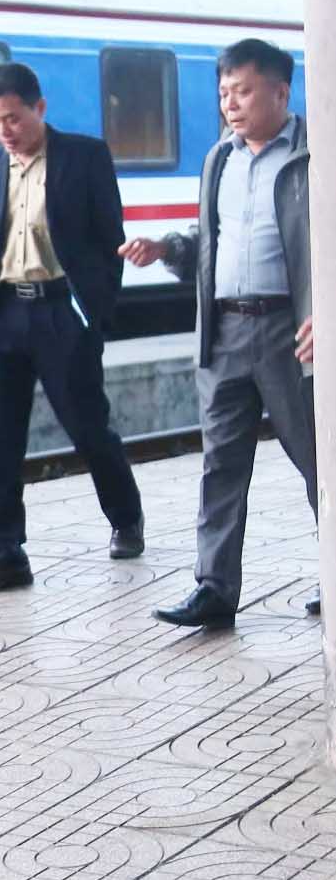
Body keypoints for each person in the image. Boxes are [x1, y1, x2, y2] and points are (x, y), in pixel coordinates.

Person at [120, 39, 320, 624]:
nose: (231, 103)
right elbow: (210, 241)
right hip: (226, 331)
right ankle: (214, 589)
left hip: (292, 333)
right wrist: (167, 249)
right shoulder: (219, 159)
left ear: (281, 92)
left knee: (320, 464)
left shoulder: (316, 156)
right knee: (220, 466)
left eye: (245, 90)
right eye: (224, 92)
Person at [0, 63, 145, 598]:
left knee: (87, 425)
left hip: (62, 311)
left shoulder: (84, 156)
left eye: (12, 117)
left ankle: (125, 518)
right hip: (4, 315)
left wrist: (96, 315)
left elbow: (111, 241)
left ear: (39, 108)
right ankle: (4, 554)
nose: (3, 130)